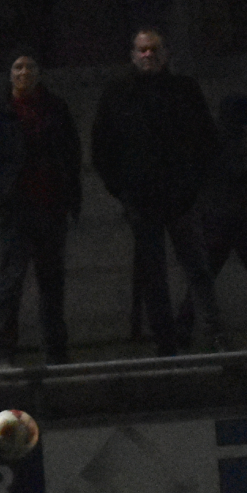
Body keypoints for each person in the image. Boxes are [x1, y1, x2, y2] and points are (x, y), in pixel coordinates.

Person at [91, 28, 224, 355]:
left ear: (165, 54)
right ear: (133, 55)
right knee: (156, 275)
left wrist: (193, 186)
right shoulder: (118, 94)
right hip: (143, 199)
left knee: (196, 268)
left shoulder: (184, 90)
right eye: (142, 50)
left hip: (180, 198)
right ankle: (167, 341)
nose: (148, 55)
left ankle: (212, 334)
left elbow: (206, 140)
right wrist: (123, 190)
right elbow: (102, 147)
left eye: (153, 49)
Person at [0, 49, 82, 366]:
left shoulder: (54, 108)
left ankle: (56, 353)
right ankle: (4, 353)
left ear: (39, 72)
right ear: (10, 74)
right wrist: (3, 191)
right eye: (18, 67)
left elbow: (71, 154)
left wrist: (70, 197)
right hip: (17, 212)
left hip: (51, 208)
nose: (24, 73)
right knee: (11, 283)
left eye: (30, 67)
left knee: (52, 285)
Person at [194, 93, 247, 344]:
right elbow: (238, 172)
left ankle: (184, 325)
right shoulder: (227, 139)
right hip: (236, 219)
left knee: (207, 272)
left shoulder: (217, 137)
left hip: (222, 217)